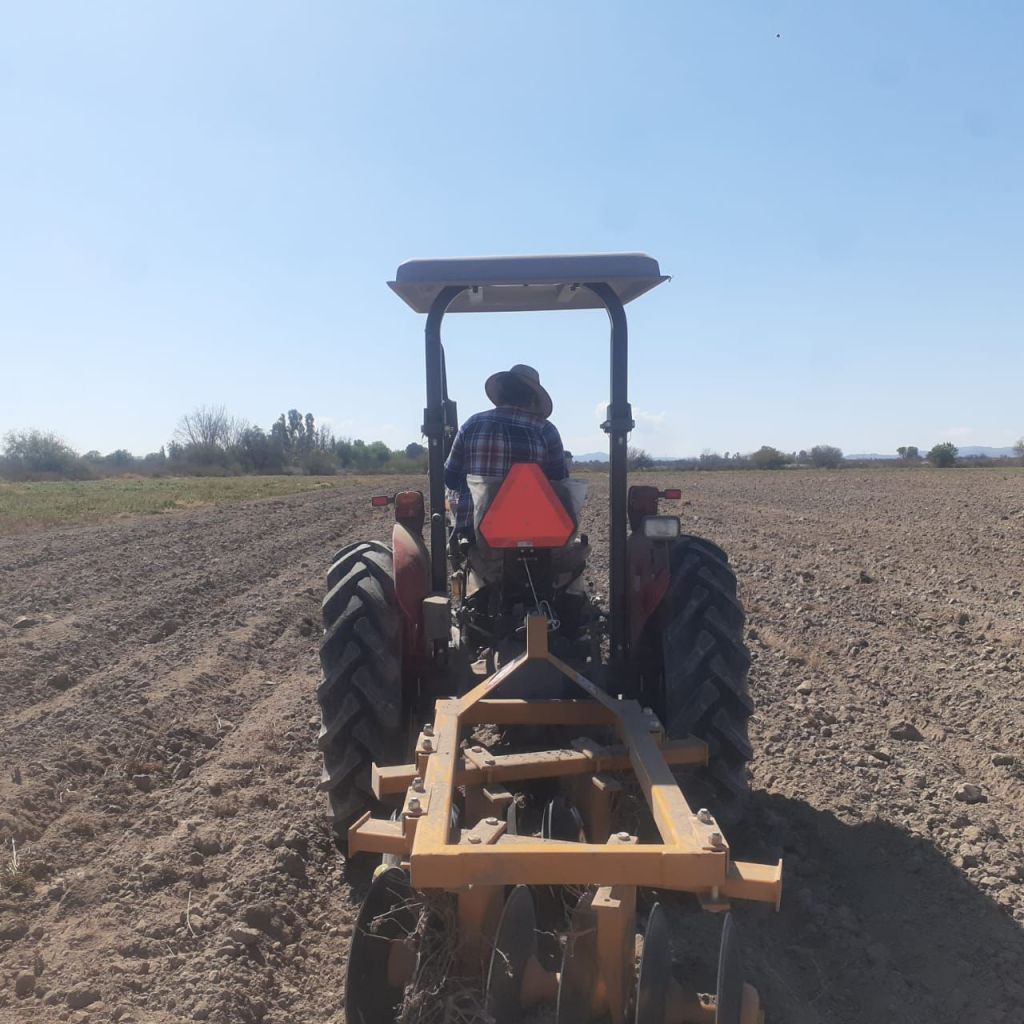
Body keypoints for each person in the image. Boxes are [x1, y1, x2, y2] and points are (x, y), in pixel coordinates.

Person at [444, 364, 568, 534]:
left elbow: (450, 478)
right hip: (534, 533)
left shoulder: (472, 424)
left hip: (476, 532)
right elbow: (560, 483)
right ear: (532, 399)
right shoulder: (546, 430)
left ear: (502, 391)